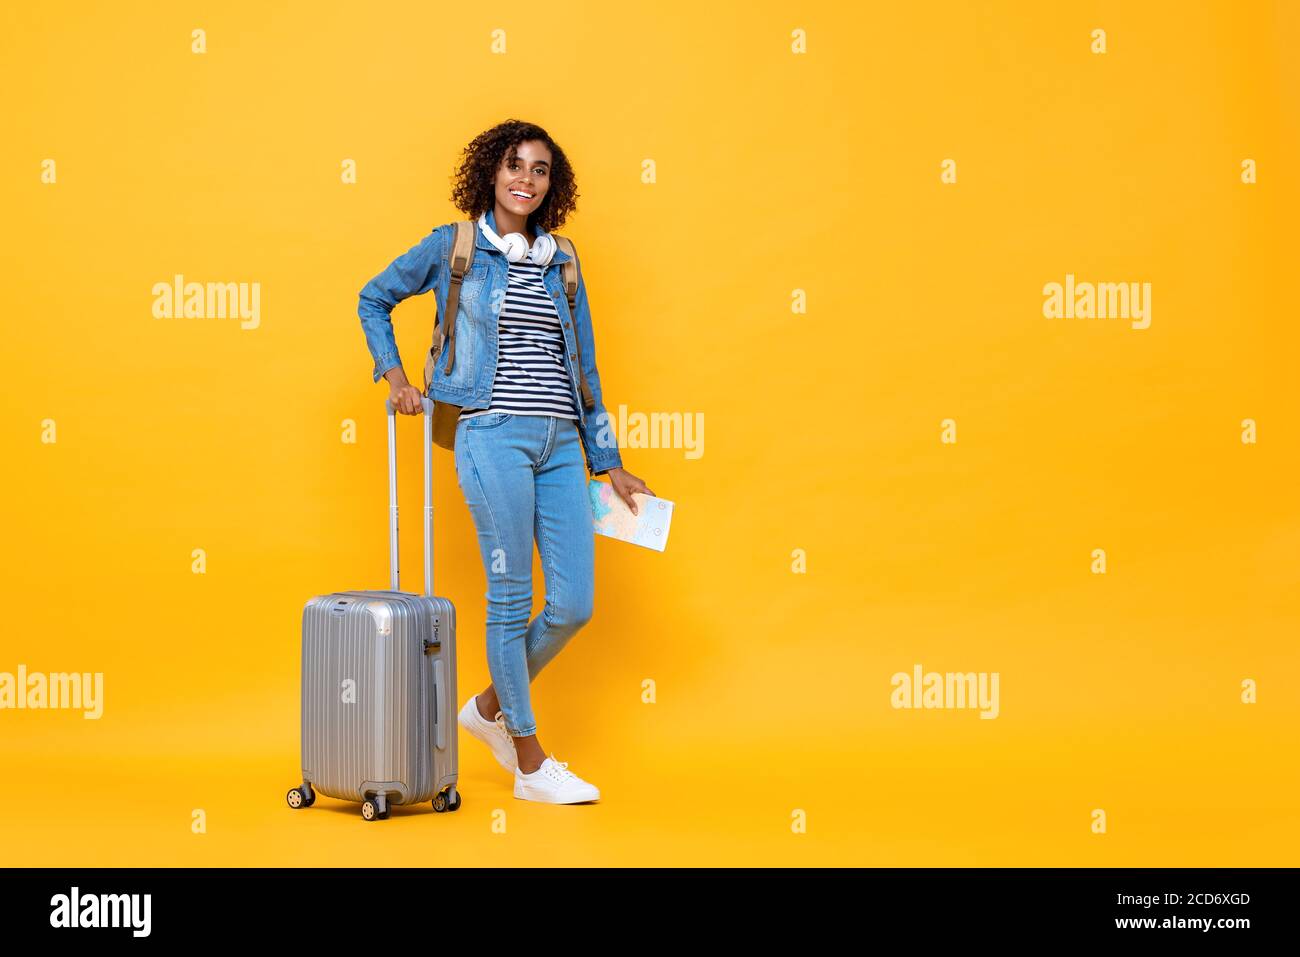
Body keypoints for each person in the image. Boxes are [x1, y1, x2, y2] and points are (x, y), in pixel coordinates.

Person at [356, 120, 654, 804]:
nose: (526, 178)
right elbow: (373, 297)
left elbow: (585, 369)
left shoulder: (564, 261)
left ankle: (486, 708)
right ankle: (528, 759)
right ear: (490, 173)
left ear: (553, 183)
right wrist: (396, 375)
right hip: (491, 436)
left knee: (574, 602)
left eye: (540, 169)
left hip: (561, 446)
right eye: (514, 165)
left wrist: (608, 459)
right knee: (511, 595)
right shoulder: (457, 246)